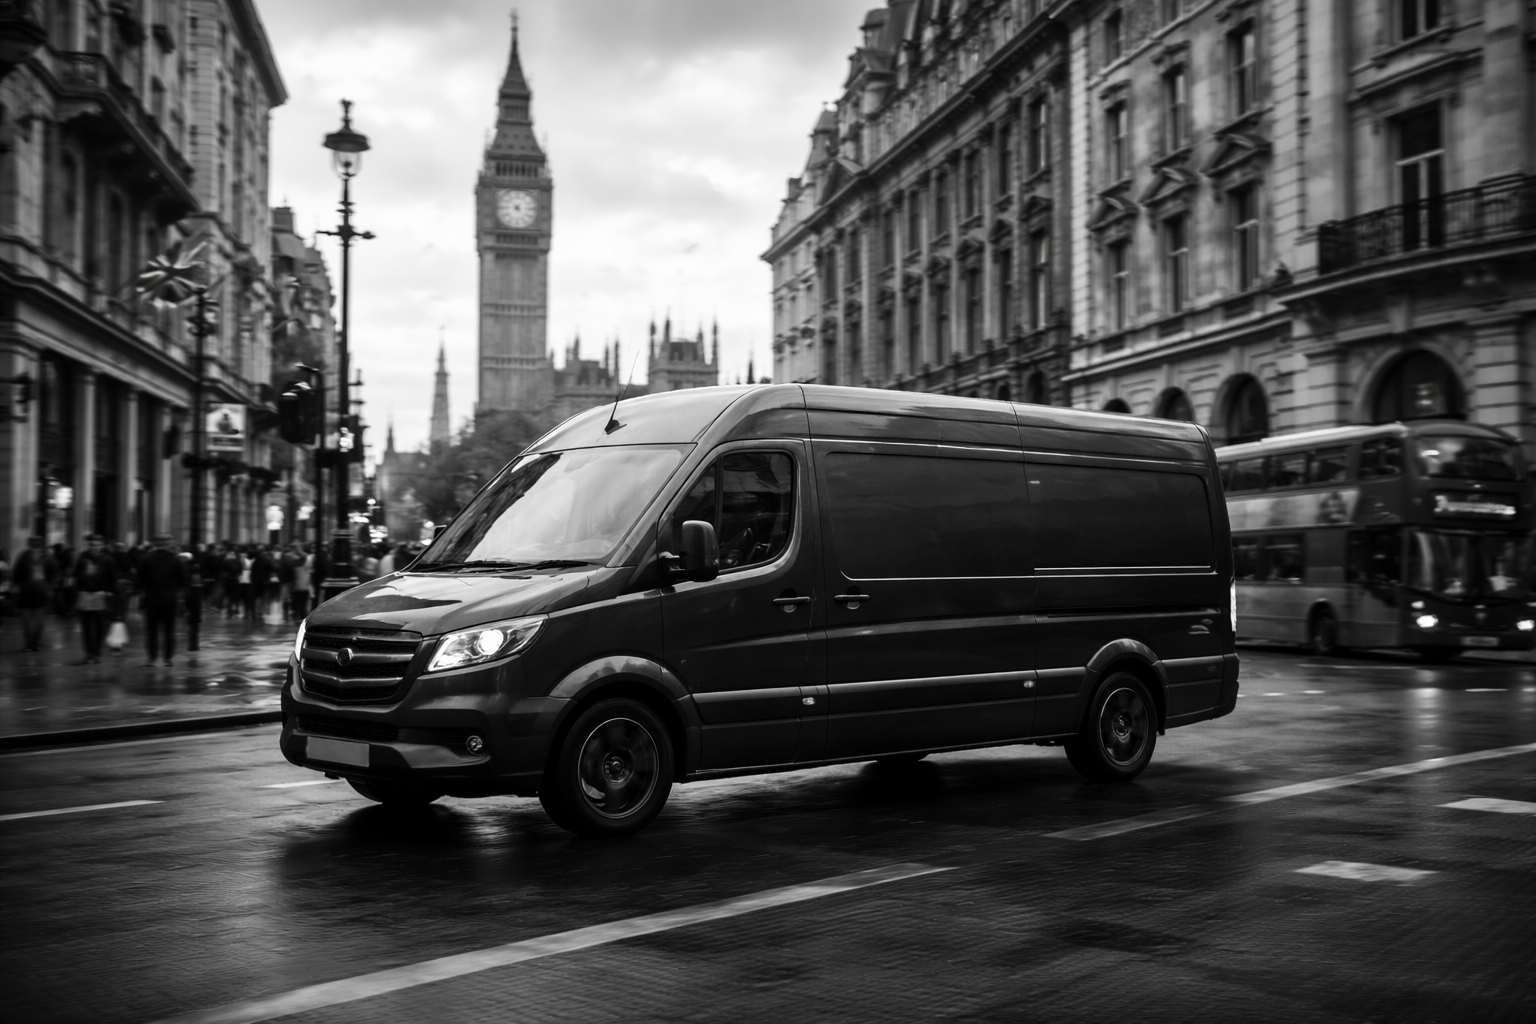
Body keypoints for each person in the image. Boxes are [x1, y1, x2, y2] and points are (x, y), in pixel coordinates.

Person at [137, 533, 188, 667]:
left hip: (151, 599)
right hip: (169, 600)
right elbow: (183, 581)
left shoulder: (145, 558)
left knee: (151, 631)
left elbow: (139, 580)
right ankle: (167, 659)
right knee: (169, 631)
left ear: (154, 543)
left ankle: (152, 658)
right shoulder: (177, 559)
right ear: (170, 543)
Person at [73, 535, 116, 664]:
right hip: (85, 594)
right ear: (89, 545)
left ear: (102, 545)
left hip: (100, 595)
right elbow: (75, 574)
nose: (94, 547)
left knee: (100, 626)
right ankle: (88, 652)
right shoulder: (82, 557)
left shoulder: (108, 559)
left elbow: (112, 578)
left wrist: (109, 592)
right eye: (92, 545)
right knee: (86, 626)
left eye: (97, 545)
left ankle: (97, 651)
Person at [12, 536, 58, 652]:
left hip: (35, 594)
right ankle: (32, 644)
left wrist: (51, 587)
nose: (35, 548)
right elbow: (55, 573)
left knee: (34, 621)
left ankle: (32, 644)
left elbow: (16, 575)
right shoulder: (43, 557)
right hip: (31, 594)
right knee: (34, 621)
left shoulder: (26, 557)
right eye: (34, 546)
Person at [288, 543, 313, 621]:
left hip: (296, 585)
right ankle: (302, 616)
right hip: (305, 585)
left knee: (296, 602)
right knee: (303, 603)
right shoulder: (307, 560)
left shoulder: (293, 561)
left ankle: (296, 615)